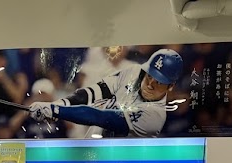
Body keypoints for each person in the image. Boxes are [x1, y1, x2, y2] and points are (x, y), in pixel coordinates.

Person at [29, 48, 184, 138]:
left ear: (171, 86)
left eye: (159, 82)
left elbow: (99, 117)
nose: (150, 84)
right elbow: (92, 93)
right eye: (150, 76)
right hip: (94, 150)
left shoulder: (154, 116)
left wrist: (56, 110)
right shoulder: (134, 72)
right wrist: (59, 104)